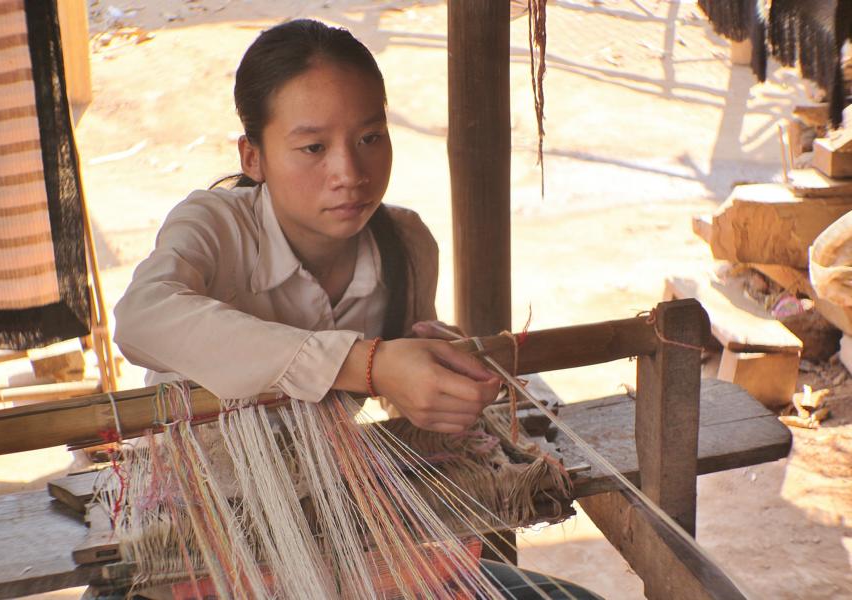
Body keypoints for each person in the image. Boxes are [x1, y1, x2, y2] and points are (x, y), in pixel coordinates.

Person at [113, 18, 601, 600]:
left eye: (370, 137)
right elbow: (141, 316)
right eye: (313, 147)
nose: (349, 173)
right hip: (211, 543)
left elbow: (404, 391)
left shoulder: (405, 245)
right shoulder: (213, 230)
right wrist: (368, 363)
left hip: (342, 533)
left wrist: (434, 373)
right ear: (254, 156)